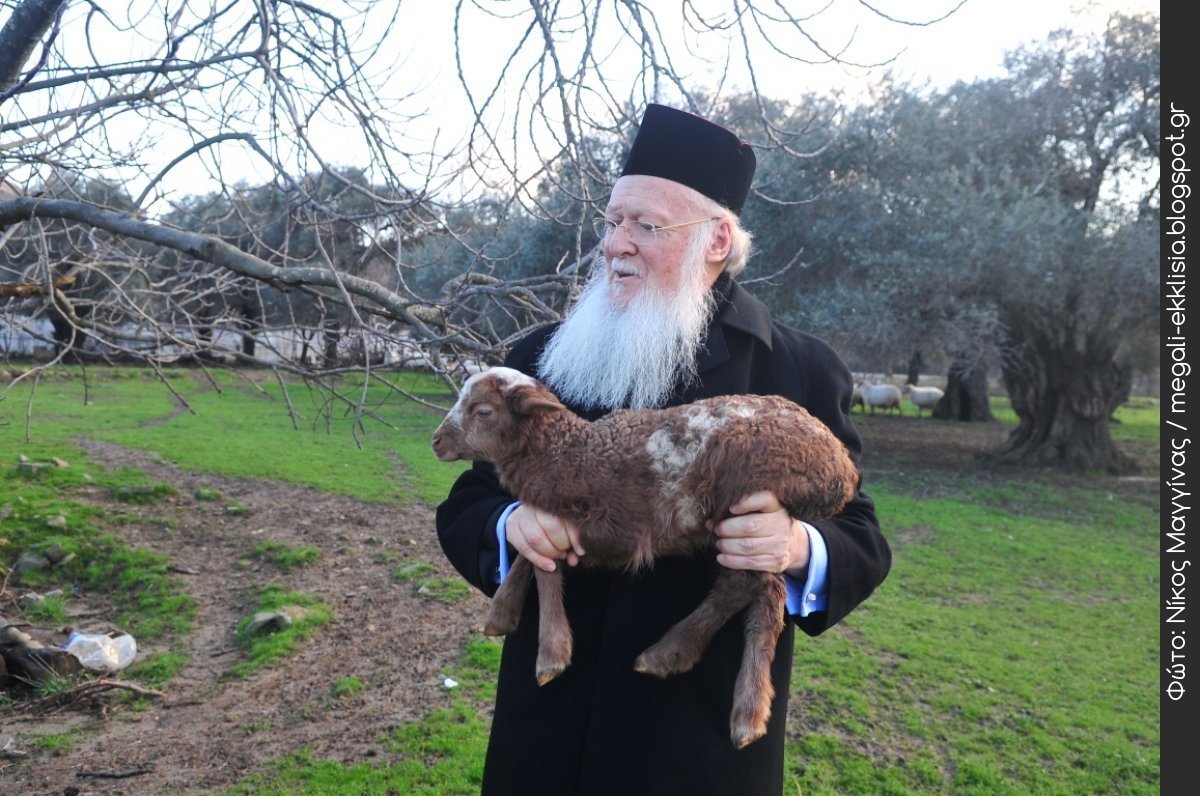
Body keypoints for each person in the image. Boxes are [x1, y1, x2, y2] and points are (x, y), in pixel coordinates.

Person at [436, 103, 890, 796]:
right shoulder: (537, 362)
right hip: (547, 734)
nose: (615, 244)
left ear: (716, 240)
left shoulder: (796, 369)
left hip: (692, 749)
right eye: (612, 221)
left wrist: (797, 545)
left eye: (646, 226)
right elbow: (468, 502)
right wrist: (510, 524)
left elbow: (861, 534)